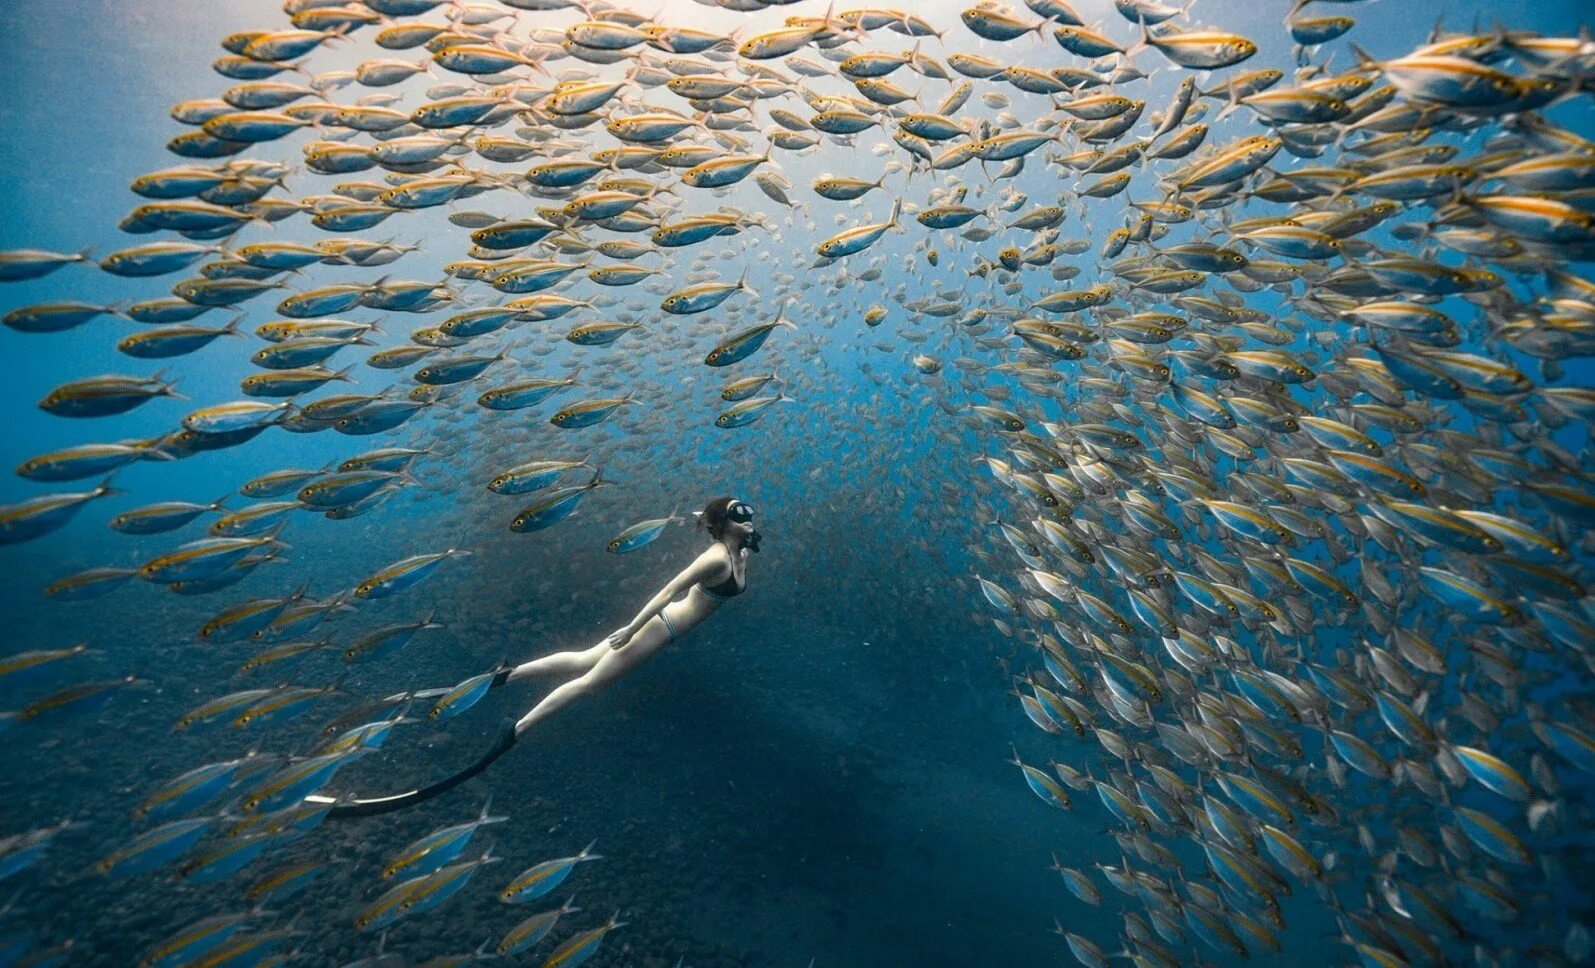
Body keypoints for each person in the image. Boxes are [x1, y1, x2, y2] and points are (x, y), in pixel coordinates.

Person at [318, 497, 759, 819]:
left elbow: (732, 552)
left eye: (747, 513)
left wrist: (739, 536)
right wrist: (630, 629)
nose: (748, 517)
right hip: (660, 627)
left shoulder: (739, 551)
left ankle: (503, 679)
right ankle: (518, 729)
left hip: (664, 627)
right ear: (725, 525)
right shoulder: (714, 558)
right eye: (739, 513)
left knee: (585, 659)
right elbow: (668, 590)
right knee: (590, 684)